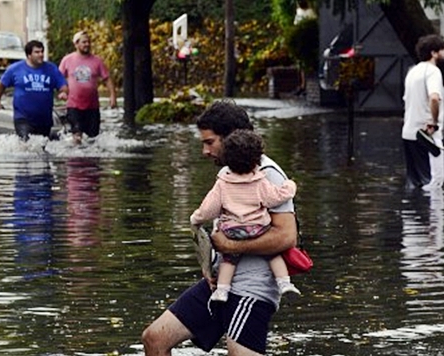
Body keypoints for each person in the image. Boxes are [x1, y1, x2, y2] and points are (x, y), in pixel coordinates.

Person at [142, 101, 298, 355]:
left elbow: (286, 236)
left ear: (232, 138)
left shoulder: (267, 174)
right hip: (220, 285)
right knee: (154, 338)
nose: (204, 150)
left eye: (209, 142)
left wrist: (230, 245)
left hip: (252, 289)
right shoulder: (229, 173)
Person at [190, 129, 300, 303]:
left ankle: (221, 291)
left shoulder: (223, 183)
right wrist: (290, 186)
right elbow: (274, 198)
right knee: (273, 255)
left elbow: (208, 209)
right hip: (257, 229)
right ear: (257, 159)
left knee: (229, 260)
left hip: (231, 231)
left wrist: (195, 219)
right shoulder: (260, 180)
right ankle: (285, 283)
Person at [0, 40, 68, 141]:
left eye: (42, 52)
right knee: (26, 143)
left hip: (44, 119)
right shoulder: (15, 69)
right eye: (37, 52)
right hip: (23, 117)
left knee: (40, 148)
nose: (41, 55)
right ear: (29, 55)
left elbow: (63, 85)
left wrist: (63, 92)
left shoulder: (51, 69)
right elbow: (2, 84)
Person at [401, 34, 444, 191]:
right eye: (442, 50)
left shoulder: (412, 72)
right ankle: (432, 216)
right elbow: (434, 98)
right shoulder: (433, 71)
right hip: (427, 135)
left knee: (415, 184)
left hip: (409, 134)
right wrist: (434, 123)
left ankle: (412, 214)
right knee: (434, 184)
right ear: (433, 53)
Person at [59, 31, 117, 144]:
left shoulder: (97, 61)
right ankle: (76, 158)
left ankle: (90, 160)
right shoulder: (67, 60)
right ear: (76, 44)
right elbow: (58, 78)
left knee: (93, 138)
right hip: (73, 105)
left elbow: (107, 79)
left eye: (89, 42)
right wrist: (62, 91)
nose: (87, 44)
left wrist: (113, 96)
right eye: (84, 42)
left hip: (92, 106)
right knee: (77, 134)